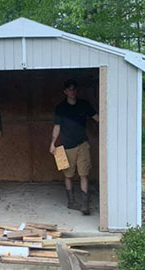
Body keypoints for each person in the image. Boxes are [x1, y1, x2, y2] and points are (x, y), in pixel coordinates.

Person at [50, 79, 99, 215]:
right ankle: (71, 202)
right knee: (68, 175)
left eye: (74, 89)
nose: (72, 91)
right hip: (67, 147)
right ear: (65, 92)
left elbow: (97, 118)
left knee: (84, 174)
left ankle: (85, 204)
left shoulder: (84, 104)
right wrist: (52, 143)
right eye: (70, 89)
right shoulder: (61, 108)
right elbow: (57, 127)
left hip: (82, 144)